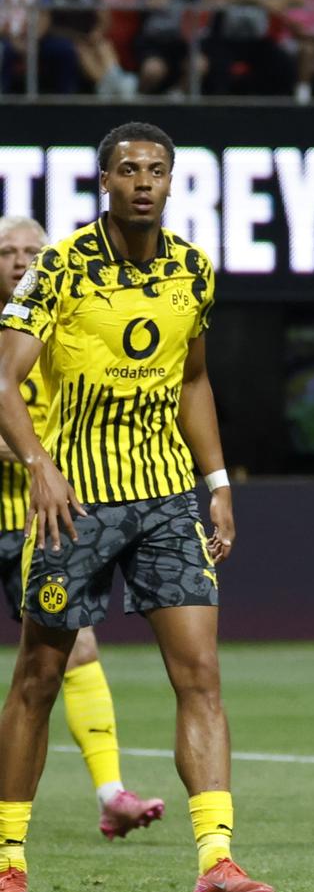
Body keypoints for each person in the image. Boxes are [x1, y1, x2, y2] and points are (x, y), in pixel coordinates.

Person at [0, 122, 271, 892]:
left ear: (171, 181)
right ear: (105, 182)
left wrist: (216, 481)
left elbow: (193, 381)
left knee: (201, 676)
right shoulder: (60, 266)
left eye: (155, 169)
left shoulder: (193, 269)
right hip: (76, 503)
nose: (142, 181)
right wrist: (39, 464)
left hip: (165, 499)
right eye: (127, 169)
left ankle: (216, 862)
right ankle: (8, 864)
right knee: (39, 677)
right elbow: (5, 379)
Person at [0, 216, 166, 847]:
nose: (20, 261)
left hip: (41, 520)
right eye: (7, 252)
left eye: (31, 251)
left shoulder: (68, 325)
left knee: (79, 650)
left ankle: (110, 794)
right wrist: (30, 454)